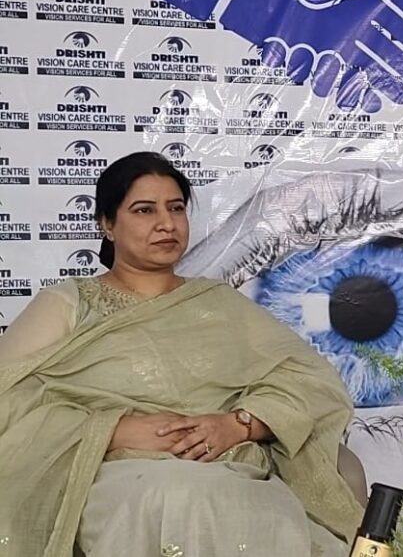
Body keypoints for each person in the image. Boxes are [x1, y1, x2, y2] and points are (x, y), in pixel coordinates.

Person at [0, 152, 362, 556]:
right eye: (144, 210)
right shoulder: (68, 303)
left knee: (242, 501)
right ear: (107, 224)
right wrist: (110, 430)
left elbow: (311, 381)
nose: (166, 224)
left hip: (229, 465)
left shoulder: (220, 303)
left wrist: (240, 424)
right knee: (182, 495)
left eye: (176, 208)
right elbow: (7, 400)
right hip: (118, 471)